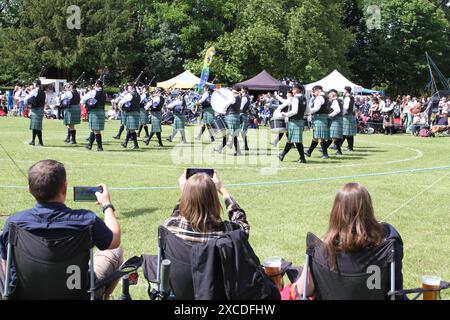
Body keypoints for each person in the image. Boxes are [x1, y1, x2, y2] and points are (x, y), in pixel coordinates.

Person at [0, 160, 123, 299]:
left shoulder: (13, 224)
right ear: (64, 188)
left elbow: (6, 267)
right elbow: (115, 239)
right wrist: (107, 204)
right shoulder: (87, 220)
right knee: (116, 251)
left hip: (25, 294)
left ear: (30, 190)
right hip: (78, 293)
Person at [295, 183, 404, 299]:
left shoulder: (321, 249)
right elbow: (396, 292)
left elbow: (302, 290)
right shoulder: (387, 246)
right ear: (369, 208)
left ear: (336, 212)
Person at [164, 170, 249, 243]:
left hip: (180, 262)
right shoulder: (227, 232)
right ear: (214, 200)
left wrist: (186, 192)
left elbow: (176, 215)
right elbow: (243, 224)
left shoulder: (170, 227)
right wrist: (223, 190)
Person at [278, 84, 308, 164]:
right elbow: (308, 111)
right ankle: (282, 154)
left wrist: (285, 114)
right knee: (291, 139)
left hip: (295, 121)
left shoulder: (296, 99)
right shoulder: (304, 98)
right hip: (300, 120)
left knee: (297, 141)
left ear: (298, 90)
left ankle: (302, 158)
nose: (292, 91)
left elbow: (294, 111)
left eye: (294, 89)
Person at [81, 80, 107, 151]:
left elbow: (83, 99)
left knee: (96, 130)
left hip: (95, 112)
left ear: (97, 85)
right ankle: (90, 145)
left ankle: (100, 147)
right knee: (93, 129)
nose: (94, 85)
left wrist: (84, 103)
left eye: (95, 84)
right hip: (101, 111)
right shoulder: (104, 93)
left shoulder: (93, 92)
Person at [306, 86, 330, 159]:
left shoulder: (319, 97)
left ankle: (325, 154)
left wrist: (308, 112)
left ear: (318, 90)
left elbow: (316, 108)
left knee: (321, 137)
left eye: (314, 92)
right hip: (322, 118)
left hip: (319, 118)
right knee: (316, 137)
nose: (314, 93)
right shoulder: (326, 97)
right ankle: (309, 152)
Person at [214, 89, 241, 156]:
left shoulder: (234, 98)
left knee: (232, 136)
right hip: (235, 117)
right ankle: (220, 148)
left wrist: (222, 110)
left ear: (235, 91)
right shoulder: (238, 97)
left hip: (231, 117)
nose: (230, 92)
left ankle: (238, 152)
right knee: (229, 135)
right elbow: (225, 97)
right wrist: (219, 92)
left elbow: (227, 104)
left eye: (232, 91)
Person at [118, 83, 141, 150]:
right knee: (130, 129)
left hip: (131, 113)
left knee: (131, 129)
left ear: (131, 88)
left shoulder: (129, 94)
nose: (127, 89)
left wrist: (120, 107)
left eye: (128, 87)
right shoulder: (138, 95)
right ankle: (126, 143)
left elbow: (121, 102)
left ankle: (135, 145)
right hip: (136, 112)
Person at [25, 79, 46, 146]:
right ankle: (34, 141)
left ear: (35, 84)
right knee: (36, 127)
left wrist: (28, 102)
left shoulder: (34, 91)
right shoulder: (43, 92)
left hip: (35, 110)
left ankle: (39, 142)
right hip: (41, 110)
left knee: (36, 127)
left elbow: (26, 99)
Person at [326, 89, 344, 156]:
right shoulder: (341, 100)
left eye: (330, 95)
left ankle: (339, 151)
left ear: (333, 95)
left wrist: (329, 115)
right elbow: (343, 110)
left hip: (335, 119)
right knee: (333, 136)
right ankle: (338, 151)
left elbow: (337, 110)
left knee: (333, 136)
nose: (329, 97)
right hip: (339, 119)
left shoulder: (335, 101)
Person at [342, 86, 357, 151]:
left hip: (346, 116)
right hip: (350, 115)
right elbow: (353, 108)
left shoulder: (347, 97)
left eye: (344, 90)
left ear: (346, 90)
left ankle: (349, 147)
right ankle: (350, 147)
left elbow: (346, 107)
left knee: (346, 132)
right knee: (348, 133)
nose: (343, 91)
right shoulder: (352, 97)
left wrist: (342, 113)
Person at [239, 87, 251, 151]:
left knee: (242, 131)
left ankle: (246, 146)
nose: (240, 91)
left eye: (241, 90)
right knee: (242, 132)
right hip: (243, 115)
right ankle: (246, 146)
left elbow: (241, 108)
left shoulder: (244, 97)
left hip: (242, 115)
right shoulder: (246, 97)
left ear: (244, 90)